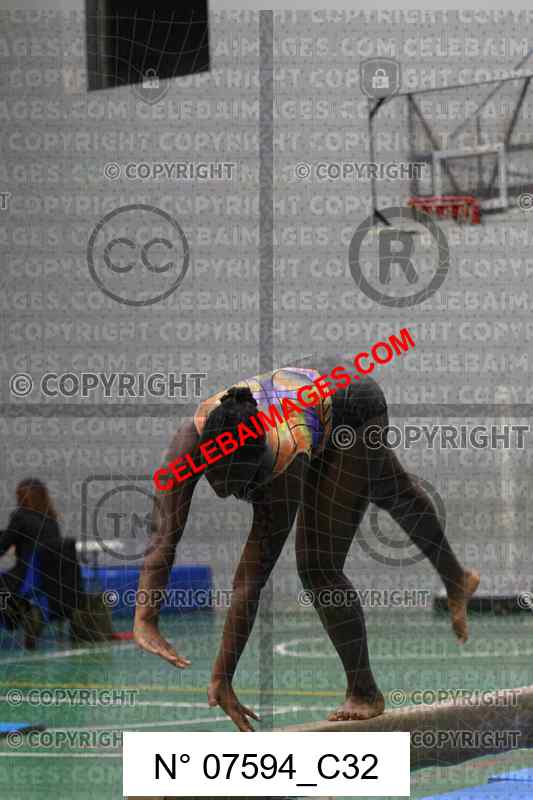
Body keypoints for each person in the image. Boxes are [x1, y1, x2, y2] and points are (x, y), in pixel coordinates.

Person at [134, 363, 479, 730]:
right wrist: (145, 618)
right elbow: (164, 536)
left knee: (318, 566)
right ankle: (457, 579)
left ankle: (364, 691)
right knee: (391, 489)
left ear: (261, 463)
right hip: (317, 388)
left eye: (245, 483)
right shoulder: (188, 442)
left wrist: (222, 677)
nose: (231, 492)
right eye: (222, 480)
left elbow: (249, 581)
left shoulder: (285, 457)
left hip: (352, 405)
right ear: (205, 458)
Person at [0, 478, 63, 648]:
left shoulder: (20, 517)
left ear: (22, 498)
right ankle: (27, 613)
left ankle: (17, 616)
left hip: (25, 578)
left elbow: (2, 547)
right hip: (50, 580)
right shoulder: (51, 521)